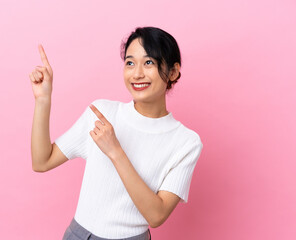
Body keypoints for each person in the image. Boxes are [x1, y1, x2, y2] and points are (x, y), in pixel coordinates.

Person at [30, 26, 203, 240]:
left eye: (149, 62)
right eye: (130, 63)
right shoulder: (101, 112)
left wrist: (115, 152)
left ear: (173, 71)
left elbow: (156, 216)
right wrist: (43, 100)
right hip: (77, 234)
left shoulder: (186, 142)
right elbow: (41, 162)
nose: (137, 73)